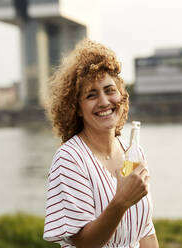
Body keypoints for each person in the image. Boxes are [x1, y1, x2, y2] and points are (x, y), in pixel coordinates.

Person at [43, 39, 159, 248]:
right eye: (91, 95)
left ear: (121, 94)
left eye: (109, 90)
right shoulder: (69, 159)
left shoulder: (133, 152)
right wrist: (121, 201)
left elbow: (146, 232)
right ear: (76, 108)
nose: (104, 101)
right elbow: (84, 243)